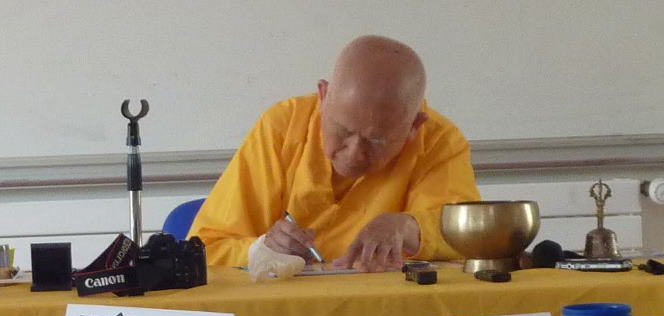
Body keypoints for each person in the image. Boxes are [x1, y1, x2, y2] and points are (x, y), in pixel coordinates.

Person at [188, 35, 479, 272]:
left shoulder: (439, 140)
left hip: (387, 313)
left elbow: (470, 242)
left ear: (414, 126)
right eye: (342, 131)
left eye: (376, 140)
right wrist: (262, 249)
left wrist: (410, 228)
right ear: (323, 96)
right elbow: (206, 249)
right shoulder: (282, 126)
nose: (354, 154)